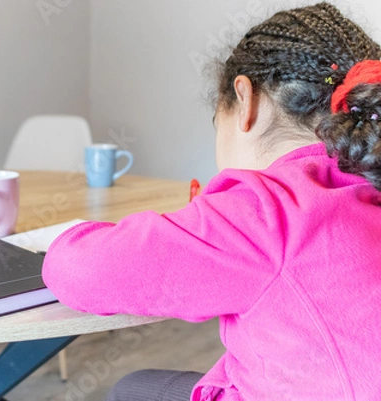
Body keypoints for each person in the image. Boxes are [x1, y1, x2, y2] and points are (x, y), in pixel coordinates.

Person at [41, 2, 381, 401]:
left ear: (245, 102)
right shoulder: (365, 182)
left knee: (133, 388)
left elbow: (78, 269)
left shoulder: (267, 211)